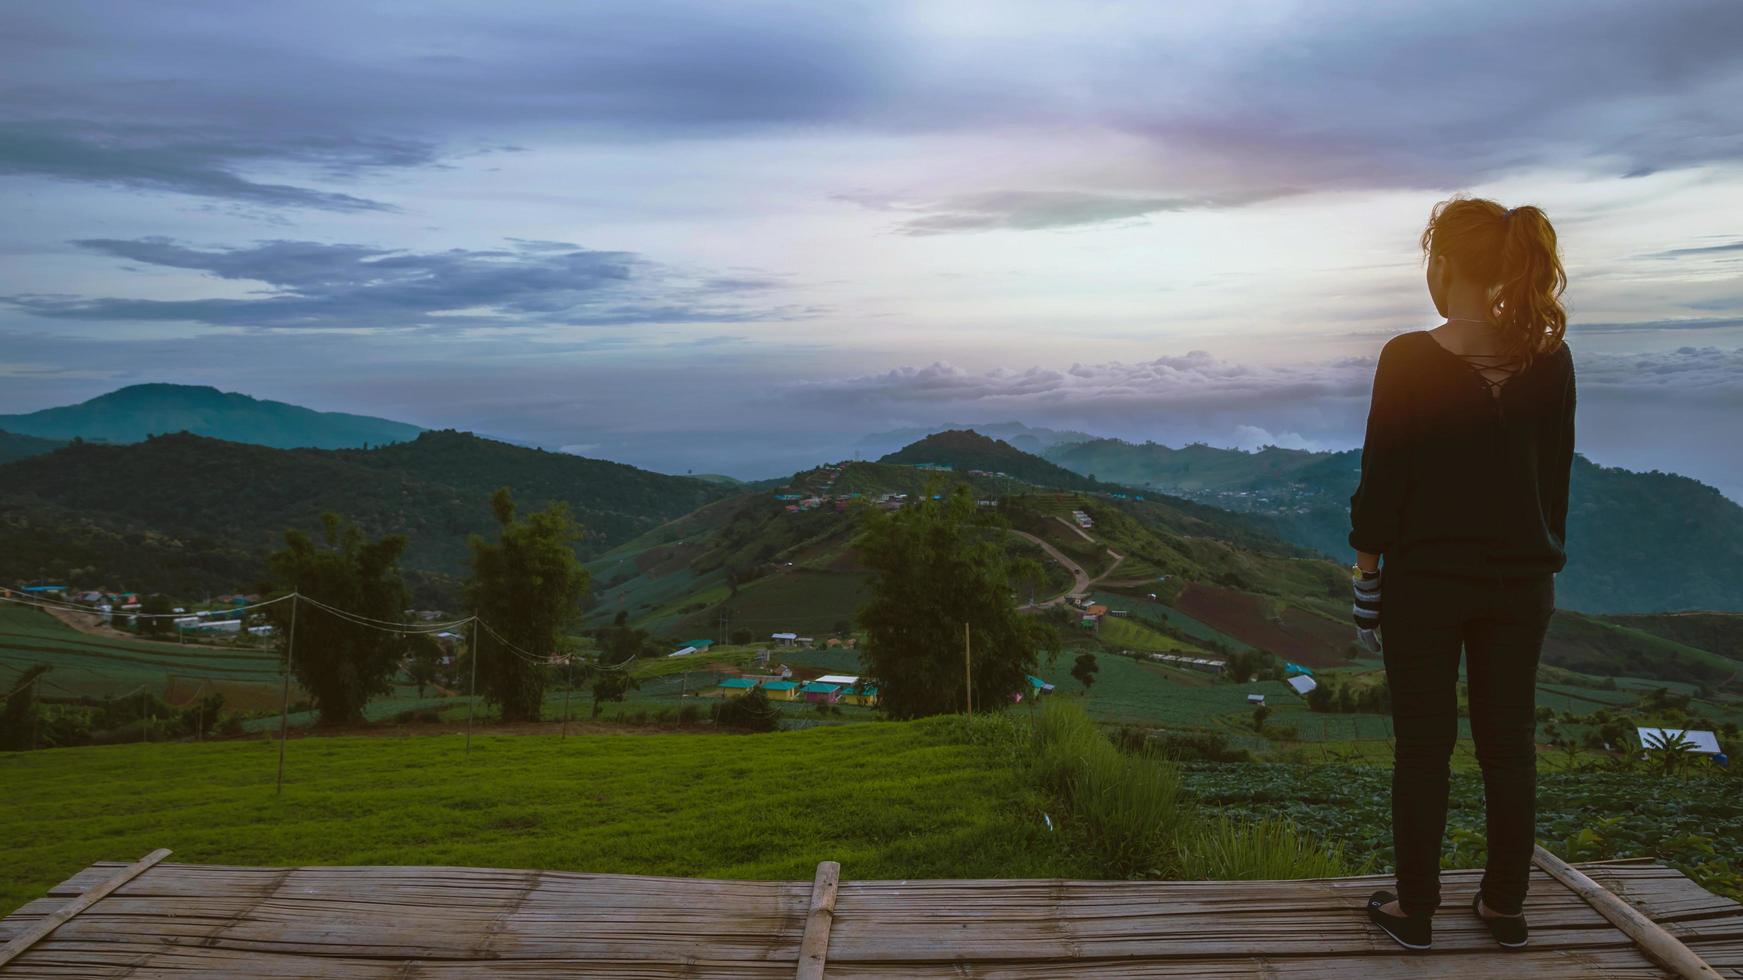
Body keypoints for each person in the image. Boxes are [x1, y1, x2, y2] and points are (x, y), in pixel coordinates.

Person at [1349, 196, 1576, 952]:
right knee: (1507, 745)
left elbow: (1381, 479)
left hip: (1425, 583)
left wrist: (1365, 576)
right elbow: (1554, 483)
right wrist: (1541, 556)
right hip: (1521, 583)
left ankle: (1415, 912)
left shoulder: (1407, 357)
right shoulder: (1549, 359)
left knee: (1423, 747)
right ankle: (1503, 909)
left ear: (1441, 264)